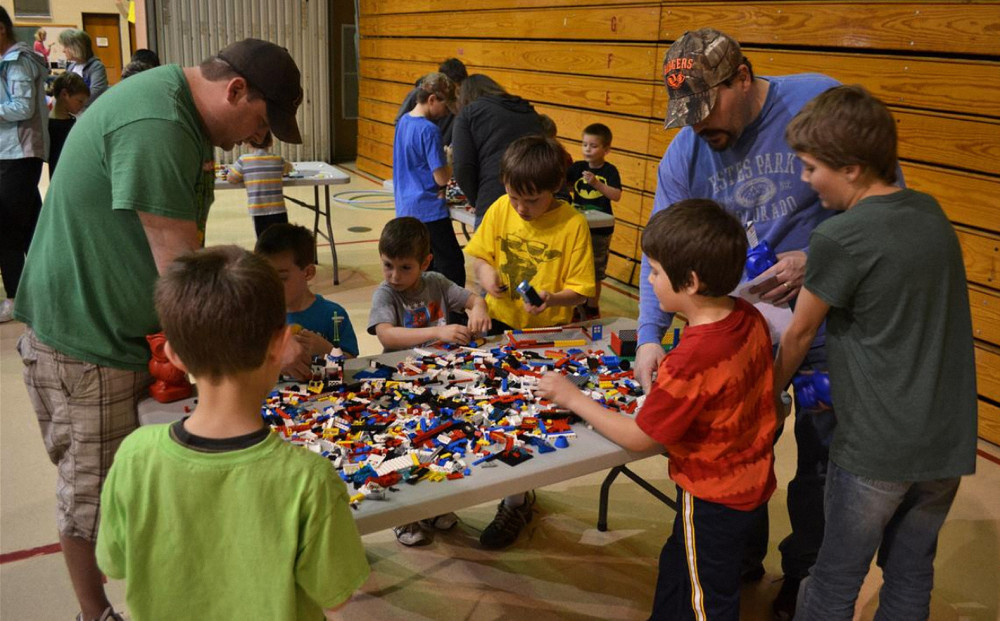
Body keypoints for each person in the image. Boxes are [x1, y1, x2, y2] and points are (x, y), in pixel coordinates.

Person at [14, 38, 304, 621]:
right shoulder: (158, 122)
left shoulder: (180, 117)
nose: (260, 139)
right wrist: (268, 343)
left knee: (135, 487)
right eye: (262, 122)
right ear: (236, 90)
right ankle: (94, 614)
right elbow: (184, 270)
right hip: (90, 342)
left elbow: (189, 252)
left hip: (127, 337)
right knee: (94, 499)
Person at [634, 27, 843, 617]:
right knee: (742, 453)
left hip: (828, 332)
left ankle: (802, 577)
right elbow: (663, 251)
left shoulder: (815, 101)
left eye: (707, 107)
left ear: (743, 78)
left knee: (821, 468)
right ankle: (736, 559)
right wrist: (650, 337)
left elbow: (878, 205)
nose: (698, 125)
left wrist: (821, 259)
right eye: (687, 114)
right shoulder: (686, 152)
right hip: (743, 339)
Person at [775, 85, 978, 621]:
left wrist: (766, 389)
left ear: (852, 168)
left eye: (811, 166)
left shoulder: (840, 236)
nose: (804, 179)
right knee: (911, 574)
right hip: (944, 440)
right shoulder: (930, 212)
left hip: (877, 447)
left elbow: (797, 335)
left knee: (833, 579)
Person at [96, 245, 370, 620]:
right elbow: (336, 595)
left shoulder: (133, 456)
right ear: (280, 346)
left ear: (173, 354)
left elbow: (114, 564)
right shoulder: (310, 479)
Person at [538, 199, 777, 621]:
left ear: (690, 281)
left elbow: (640, 437)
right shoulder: (748, 316)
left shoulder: (694, 356)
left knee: (709, 599)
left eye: (655, 272)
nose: (648, 280)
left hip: (714, 494)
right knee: (678, 564)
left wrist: (573, 398)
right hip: (750, 475)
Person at [463, 134, 595, 548]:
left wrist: (552, 298)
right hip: (501, 328)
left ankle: (516, 499)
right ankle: (508, 488)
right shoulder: (502, 208)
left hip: (547, 337)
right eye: (514, 196)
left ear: (555, 186)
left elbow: (583, 290)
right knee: (494, 412)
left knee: (529, 419)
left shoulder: (572, 224)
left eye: (531, 201)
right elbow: (479, 255)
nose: (521, 207)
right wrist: (486, 279)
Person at [367, 216, 491, 546]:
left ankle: (434, 505)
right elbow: (388, 335)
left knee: (438, 446)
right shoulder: (386, 294)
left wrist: (479, 306)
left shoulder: (435, 281)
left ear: (425, 262)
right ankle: (405, 514)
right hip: (402, 383)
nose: (394, 276)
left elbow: (472, 299)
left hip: (438, 382)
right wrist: (437, 331)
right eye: (387, 265)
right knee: (402, 449)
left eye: (405, 267)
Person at [392, 71, 466, 287]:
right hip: (429, 209)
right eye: (445, 106)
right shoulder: (429, 130)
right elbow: (441, 178)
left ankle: (429, 314)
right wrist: (450, 160)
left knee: (424, 266)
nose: (445, 113)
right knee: (452, 264)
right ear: (432, 99)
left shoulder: (404, 122)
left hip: (406, 207)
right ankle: (454, 313)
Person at [256, 223, 360, 372]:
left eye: (281, 278)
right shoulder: (259, 317)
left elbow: (352, 366)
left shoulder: (333, 315)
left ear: (308, 273)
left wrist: (328, 350)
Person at [0, 7, 48, 324]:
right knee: (33, 227)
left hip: (18, 153)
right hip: (13, 153)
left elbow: (21, 106)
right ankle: (45, 288)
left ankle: (16, 298)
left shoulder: (17, 61)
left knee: (6, 228)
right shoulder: (11, 61)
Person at [452, 73, 543, 228]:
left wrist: (477, 199)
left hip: (492, 199)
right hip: (536, 200)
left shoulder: (468, 114)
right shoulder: (528, 111)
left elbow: (462, 166)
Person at [567, 122, 622, 319]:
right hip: (578, 226)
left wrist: (597, 184)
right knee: (575, 267)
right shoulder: (577, 167)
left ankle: (592, 306)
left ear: (606, 150)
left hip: (601, 229)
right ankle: (574, 303)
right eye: (584, 144)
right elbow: (563, 185)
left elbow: (616, 196)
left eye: (593, 145)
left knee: (596, 270)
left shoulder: (609, 171)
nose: (587, 149)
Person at [227, 130, 293, 237]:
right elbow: (289, 168)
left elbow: (231, 178)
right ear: (271, 142)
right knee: (282, 242)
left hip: (259, 210)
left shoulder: (244, 160)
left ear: (247, 143)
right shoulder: (278, 160)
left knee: (263, 242)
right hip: (278, 209)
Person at [396, 57, 466, 145]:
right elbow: (400, 124)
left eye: (458, 89)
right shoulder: (417, 93)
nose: (455, 93)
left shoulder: (461, 99)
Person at [47, 72, 89, 177]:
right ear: (64, 94)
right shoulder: (53, 126)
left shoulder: (72, 120)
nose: (82, 106)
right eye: (79, 101)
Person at [59, 29, 108, 109]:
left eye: (66, 47)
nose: (63, 50)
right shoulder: (71, 67)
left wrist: (73, 103)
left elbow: (96, 92)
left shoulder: (96, 66)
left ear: (76, 47)